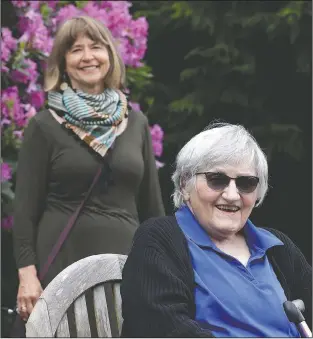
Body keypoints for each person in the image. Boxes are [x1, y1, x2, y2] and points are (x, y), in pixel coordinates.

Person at [12, 15, 164, 324]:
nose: (87, 56)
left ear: (110, 55)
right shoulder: (43, 126)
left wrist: (163, 268)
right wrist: (27, 275)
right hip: (61, 265)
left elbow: (154, 210)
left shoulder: (135, 124)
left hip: (127, 266)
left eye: (95, 47)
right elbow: (25, 211)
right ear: (64, 63)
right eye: (76, 49)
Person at [121, 123, 312, 338]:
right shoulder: (160, 239)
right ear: (185, 185)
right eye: (217, 180)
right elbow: (161, 327)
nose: (232, 195)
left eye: (246, 183)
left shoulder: (278, 247)